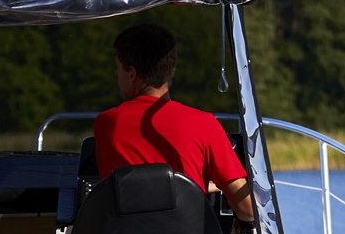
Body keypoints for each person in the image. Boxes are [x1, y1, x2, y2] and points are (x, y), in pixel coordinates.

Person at [94, 24, 254, 222]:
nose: (117, 75)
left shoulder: (107, 123)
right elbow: (248, 210)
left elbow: (130, 189)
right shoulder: (204, 123)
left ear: (132, 74)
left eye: (117, 68)